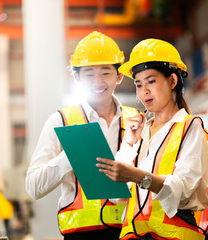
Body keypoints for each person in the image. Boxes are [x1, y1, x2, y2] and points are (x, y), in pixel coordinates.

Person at [25, 31, 139, 240]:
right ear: (77, 77)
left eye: (106, 73)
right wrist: (70, 156)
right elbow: (33, 186)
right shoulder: (61, 121)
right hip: (81, 234)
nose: (98, 82)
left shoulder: (137, 121)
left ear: (119, 75)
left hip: (130, 231)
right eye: (89, 74)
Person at [96, 38, 208, 240]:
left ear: (173, 81)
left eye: (151, 81)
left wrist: (140, 177)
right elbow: (117, 195)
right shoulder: (141, 131)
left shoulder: (189, 126)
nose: (144, 91)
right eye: (138, 85)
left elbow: (184, 189)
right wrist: (129, 143)